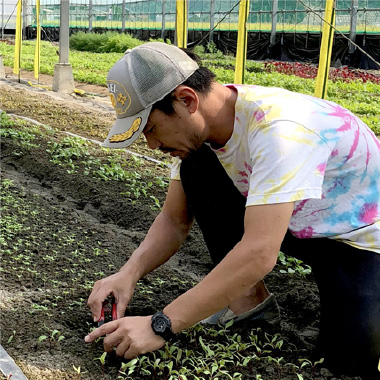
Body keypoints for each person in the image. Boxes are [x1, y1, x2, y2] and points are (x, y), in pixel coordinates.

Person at [85, 42, 380, 380]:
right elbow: (173, 220)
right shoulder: (200, 134)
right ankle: (250, 306)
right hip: (295, 220)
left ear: (186, 100)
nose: (151, 145)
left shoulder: (279, 130)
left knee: (348, 366)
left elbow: (258, 253)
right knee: (196, 168)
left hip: (358, 240)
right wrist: (128, 274)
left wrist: (161, 324)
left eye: (150, 129)